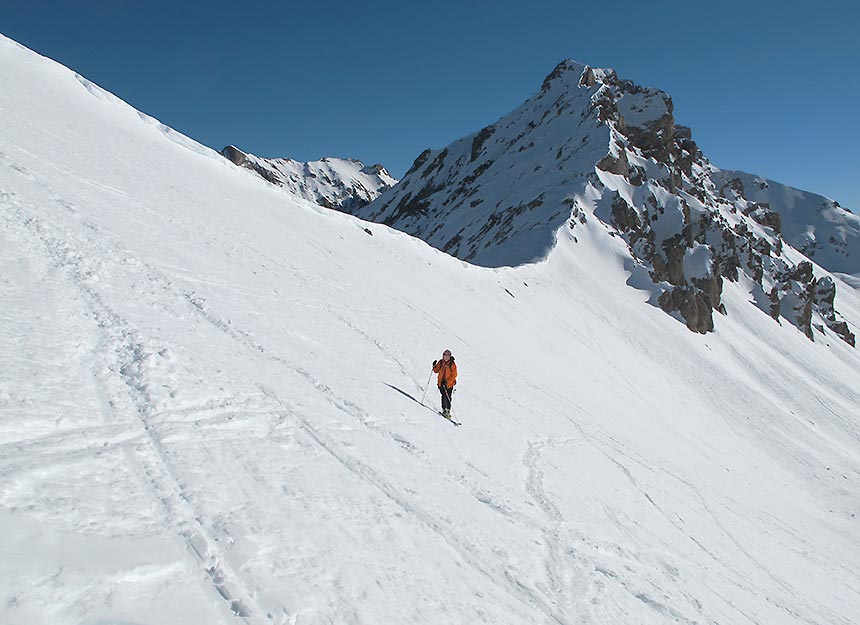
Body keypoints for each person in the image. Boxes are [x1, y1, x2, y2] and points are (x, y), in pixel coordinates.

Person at [432, 350, 458, 417]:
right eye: (444, 355)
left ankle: (447, 410)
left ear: (449, 356)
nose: (446, 357)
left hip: (449, 384)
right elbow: (436, 370)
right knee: (443, 396)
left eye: (447, 356)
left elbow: (454, 375)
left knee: (448, 396)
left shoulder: (452, 364)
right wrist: (434, 366)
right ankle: (444, 410)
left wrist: (447, 382)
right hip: (441, 383)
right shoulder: (441, 362)